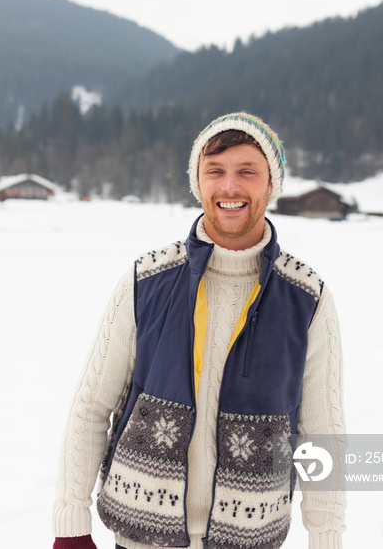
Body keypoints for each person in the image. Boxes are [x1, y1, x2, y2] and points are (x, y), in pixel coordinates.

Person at [53, 112, 346, 549]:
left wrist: (327, 538)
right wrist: (72, 523)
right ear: (198, 182)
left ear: (271, 185)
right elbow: (91, 406)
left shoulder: (307, 298)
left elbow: (323, 433)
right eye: (216, 171)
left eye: (247, 171)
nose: (230, 187)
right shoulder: (145, 280)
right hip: (140, 538)